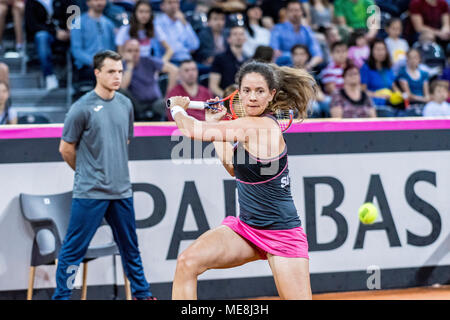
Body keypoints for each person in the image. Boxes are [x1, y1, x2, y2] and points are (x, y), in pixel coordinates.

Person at [167, 60, 316, 300]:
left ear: (271, 95)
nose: (252, 97)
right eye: (246, 91)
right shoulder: (245, 128)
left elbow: (193, 130)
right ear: (239, 93)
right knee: (187, 263)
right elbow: (233, 169)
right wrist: (215, 126)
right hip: (247, 229)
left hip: (281, 233)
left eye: (260, 91)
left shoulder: (259, 126)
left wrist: (177, 108)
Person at [54, 50, 155, 300]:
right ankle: (61, 297)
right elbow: (66, 149)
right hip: (90, 192)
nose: (117, 76)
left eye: (120, 71)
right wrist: (88, 172)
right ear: (97, 73)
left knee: (130, 249)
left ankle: (143, 295)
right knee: (73, 250)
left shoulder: (125, 103)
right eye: (111, 71)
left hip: (121, 190)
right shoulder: (81, 108)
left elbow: (125, 140)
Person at [121, 39, 178, 121]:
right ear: (124, 52)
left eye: (136, 51)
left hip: (155, 102)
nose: (134, 54)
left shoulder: (148, 60)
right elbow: (123, 87)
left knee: (167, 104)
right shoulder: (121, 65)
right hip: (136, 104)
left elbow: (173, 70)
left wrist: (168, 95)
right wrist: (130, 66)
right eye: (130, 51)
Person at [25, 0, 72, 90]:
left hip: (67, 33)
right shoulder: (32, 2)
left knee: (78, 33)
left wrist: (71, 29)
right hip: (47, 35)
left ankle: (76, 75)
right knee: (41, 37)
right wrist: (55, 32)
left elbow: (74, 10)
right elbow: (32, 25)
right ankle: (49, 75)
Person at [71, 0, 116, 85]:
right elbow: (76, 50)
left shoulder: (109, 24)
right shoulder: (78, 22)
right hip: (87, 66)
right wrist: (93, 61)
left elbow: (112, 48)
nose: (99, 2)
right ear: (88, 2)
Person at [269, 0, 323, 69]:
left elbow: (318, 54)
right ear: (286, 12)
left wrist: (309, 66)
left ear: (302, 12)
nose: (294, 13)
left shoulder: (307, 30)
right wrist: (296, 57)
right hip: (284, 69)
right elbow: (274, 53)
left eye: (297, 10)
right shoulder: (277, 29)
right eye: (291, 10)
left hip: (305, 68)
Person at [154, 0, 200, 65]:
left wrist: (185, 23)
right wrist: (185, 49)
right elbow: (172, 49)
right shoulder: (158, 23)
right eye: (170, 2)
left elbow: (195, 45)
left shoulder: (182, 22)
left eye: (176, 2)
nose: (174, 5)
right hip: (170, 61)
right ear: (162, 6)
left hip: (187, 60)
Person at [209, 25, 248, 97]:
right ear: (228, 39)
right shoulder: (220, 58)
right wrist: (227, 98)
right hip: (225, 99)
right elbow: (213, 86)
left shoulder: (249, 60)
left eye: (241, 34)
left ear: (245, 38)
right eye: (235, 34)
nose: (238, 37)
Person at [360, 39, 400, 108]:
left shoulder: (388, 68)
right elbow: (362, 91)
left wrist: (400, 95)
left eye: (383, 49)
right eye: (378, 49)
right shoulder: (365, 68)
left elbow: (394, 86)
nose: (381, 52)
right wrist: (378, 95)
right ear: (372, 51)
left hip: (390, 102)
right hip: (374, 104)